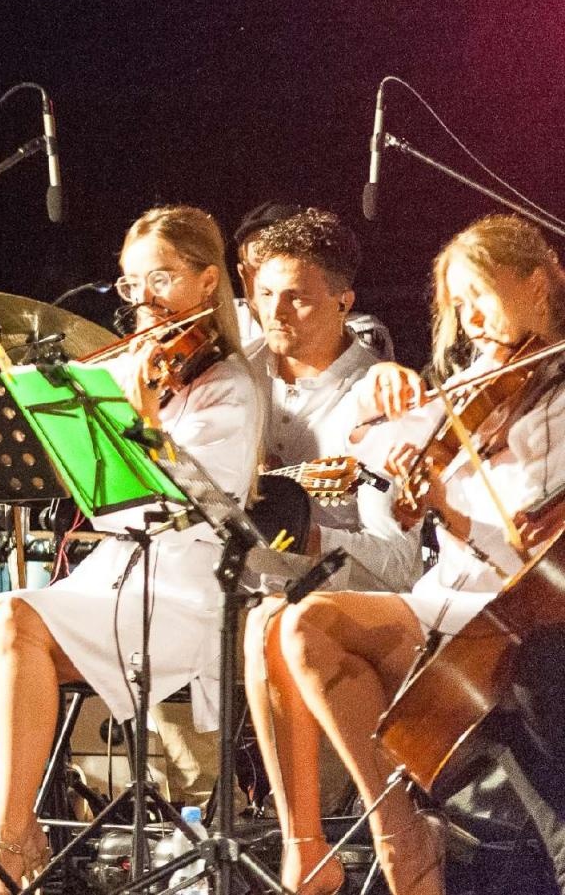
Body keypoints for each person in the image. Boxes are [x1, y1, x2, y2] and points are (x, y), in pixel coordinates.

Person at [244, 213, 565, 895]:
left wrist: (450, 506)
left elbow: (531, 546)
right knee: (284, 622)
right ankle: (389, 836)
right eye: (458, 304)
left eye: (481, 294)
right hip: (448, 598)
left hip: (509, 612)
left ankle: (407, 845)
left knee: (310, 624)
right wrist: (386, 391)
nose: (471, 318)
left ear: (537, 284)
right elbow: (373, 450)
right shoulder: (483, 377)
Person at [0, 205, 261, 894]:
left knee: (14, 620)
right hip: (116, 571)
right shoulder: (133, 365)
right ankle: (23, 826)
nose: (144, 298)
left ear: (207, 280)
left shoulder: (231, 386)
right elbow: (94, 490)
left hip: (184, 586)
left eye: (162, 278)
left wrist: (142, 418)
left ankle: (4, 843)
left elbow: (187, 508)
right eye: (131, 284)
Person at [249, 208, 420, 592]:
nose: (274, 313)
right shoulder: (238, 371)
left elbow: (400, 566)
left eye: (297, 298)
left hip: (324, 612)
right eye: (266, 294)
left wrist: (309, 538)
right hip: (220, 592)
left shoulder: (378, 404)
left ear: (343, 302)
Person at [233, 200, 394, 361]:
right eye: (258, 265)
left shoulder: (358, 327)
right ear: (243, 274)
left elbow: (365, 361)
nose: (273, 274)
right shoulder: (229, 319)